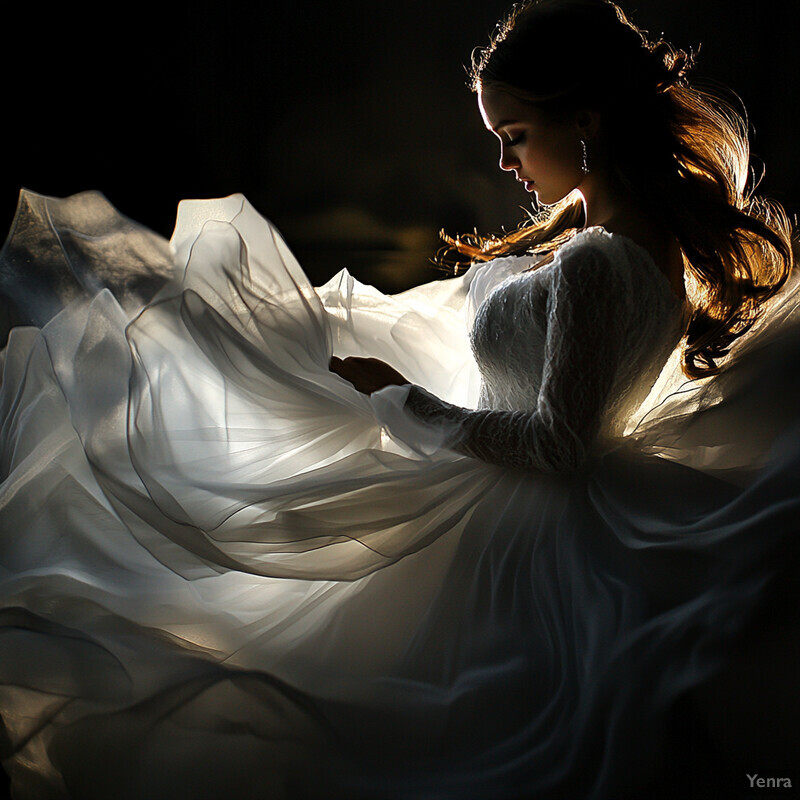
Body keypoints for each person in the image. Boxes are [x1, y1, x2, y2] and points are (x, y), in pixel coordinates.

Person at [0, 1, 797, 798]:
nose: (504, 164)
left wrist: (405, 402)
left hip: (517, 529)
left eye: (514, 136)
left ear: (585, 119)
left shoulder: (600, 259)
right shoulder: (623, 238)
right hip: (505, 490)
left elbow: (559, 443)